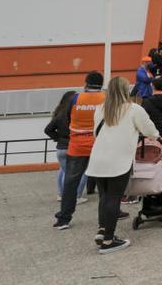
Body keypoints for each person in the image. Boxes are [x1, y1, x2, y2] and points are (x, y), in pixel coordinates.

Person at [85, 77, 159, 254]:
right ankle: (109, 241)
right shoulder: (133, 109)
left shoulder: (101, 109)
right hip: (118, 160)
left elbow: (96, 133)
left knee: (104, 197)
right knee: (113, 198)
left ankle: (103, 230)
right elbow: (150, 131)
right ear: (126, 90)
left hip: (97, 159)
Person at [53, 71, 105, 230]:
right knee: (105, 182)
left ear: (86, 83)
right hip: (99, 145)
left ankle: (64, 218)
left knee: (70, 183)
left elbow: (66, 118)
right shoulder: (105, 99)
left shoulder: (74, 98)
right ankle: (112, 212)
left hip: (76, 146)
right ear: (101, 84)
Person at [44, 91, 88, 204]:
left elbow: (47, 129)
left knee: (63, 171)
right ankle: (76, 196)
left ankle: (61, 195)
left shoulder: (59, 114)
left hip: (60, 149)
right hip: (73, 147)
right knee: (81, 172)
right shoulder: (74, 115)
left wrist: (58, 138)